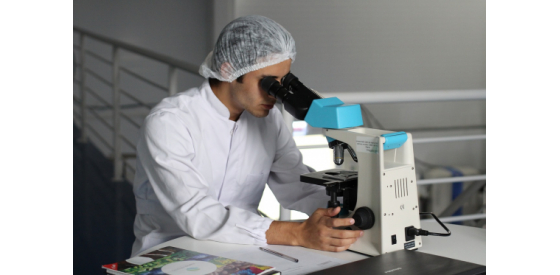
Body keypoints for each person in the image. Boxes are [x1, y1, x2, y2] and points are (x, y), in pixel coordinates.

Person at [130, 15, 362, 257]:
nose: (276, 95)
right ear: (229, 70)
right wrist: (299, 233)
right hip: (171, 252)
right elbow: (196, 213)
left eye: (283, 81)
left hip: (242, 250)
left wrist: (346, 212)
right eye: (268, 83)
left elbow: (297, 186)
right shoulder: (171, 122)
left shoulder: (269, 120)